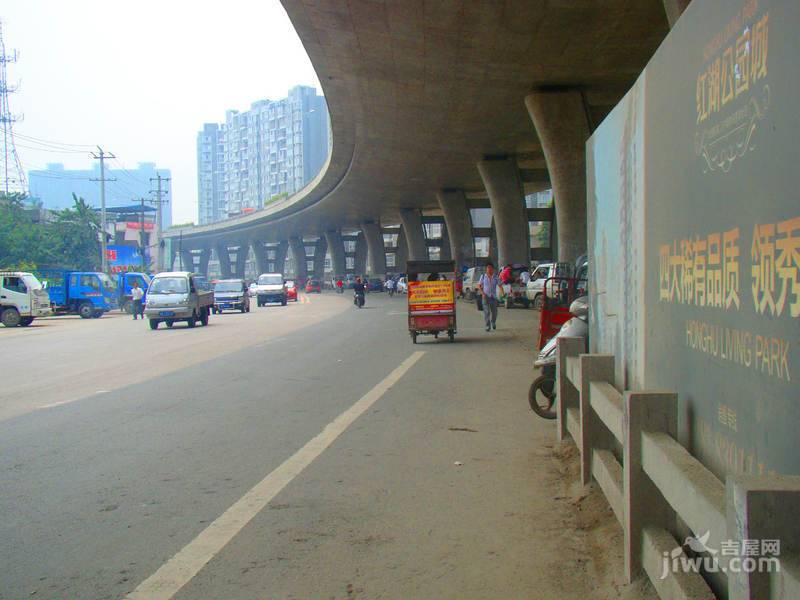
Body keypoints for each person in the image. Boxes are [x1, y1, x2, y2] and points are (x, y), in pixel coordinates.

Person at [478, 262, 500, 331]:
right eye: (488, 268)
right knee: (487, 312)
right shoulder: (483, 276)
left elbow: (500, 285)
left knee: (494, 312)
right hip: (485, 297)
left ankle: (493, 322)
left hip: (493, 297)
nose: (489, 269)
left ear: (493, 269)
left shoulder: (496, 277)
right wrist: (482, 293)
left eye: (491, 268)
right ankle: (487, 325)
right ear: (486, 269)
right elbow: (479, 286)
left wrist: (503, 293)